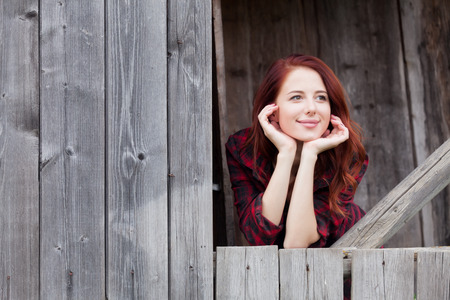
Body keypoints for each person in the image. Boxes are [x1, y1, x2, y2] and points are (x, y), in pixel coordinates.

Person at [226, 54, 368, 249]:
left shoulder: (346, 157)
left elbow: (296, 244)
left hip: (354, 269)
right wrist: (286, 152)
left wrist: (310, 154)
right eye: (296, 97)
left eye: (321, 97)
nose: (311, 108)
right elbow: (259, 236)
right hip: (272, 275)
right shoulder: (243, 149)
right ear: (272, 110)